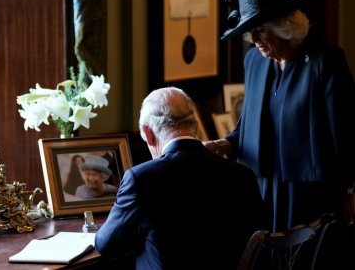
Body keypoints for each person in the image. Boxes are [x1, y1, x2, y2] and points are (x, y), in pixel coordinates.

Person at [204, 0, 355, 269]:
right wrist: (225, 143)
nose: (254, 41)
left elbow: (347, 132)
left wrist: (348, 190)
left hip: (311, 192)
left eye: (260, 31)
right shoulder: (254, 60)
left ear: (284, 26)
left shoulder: (324, 60)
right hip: (265, 187)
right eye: (250, 32)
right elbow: (249, 121)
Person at [95, 87, 264, 270]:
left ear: (149, 134)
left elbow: (106, 244)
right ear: (195, 126)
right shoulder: (242, 175)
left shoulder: (141, 178)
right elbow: (258, 241)